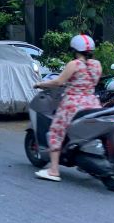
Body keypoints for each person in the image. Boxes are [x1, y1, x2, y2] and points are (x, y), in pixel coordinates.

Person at [32, 34, 102, 182]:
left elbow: (58, 82)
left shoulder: (74, 64)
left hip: (73, 104)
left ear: (74, 49)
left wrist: (40, 84)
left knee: (55, 132)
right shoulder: (97, 65)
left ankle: (53, 170)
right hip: (93, 102)